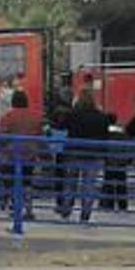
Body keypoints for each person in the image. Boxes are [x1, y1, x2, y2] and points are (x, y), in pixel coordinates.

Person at [55, 90, 109, 223]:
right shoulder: (101, 117)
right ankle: (85, 213)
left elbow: (61, 126)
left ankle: (66, 209)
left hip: (74, 153)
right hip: (94, 155)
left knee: (70, 183)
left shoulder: (73, 115)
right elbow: (105, 136)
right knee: (89, 186)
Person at [0, 90, 43, 220]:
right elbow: (40, 135)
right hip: (29, 155)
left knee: (10, 181)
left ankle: (12, 205)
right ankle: (29, 209)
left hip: (11, 155)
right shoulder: (35, 117)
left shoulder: (8, 117)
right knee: (27, 182)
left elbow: (1, 136)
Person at [99, 113, 130, 212]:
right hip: (121, 160)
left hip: (109, 160)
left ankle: (107, 204)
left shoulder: (105, 132)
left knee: (108, 183)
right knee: (121, 184)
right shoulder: (121, 131)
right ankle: (122, 205)